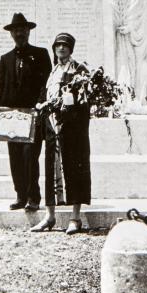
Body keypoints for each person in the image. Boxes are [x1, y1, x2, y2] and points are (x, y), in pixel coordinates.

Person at [0, 13, 52, 211]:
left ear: (29, 31)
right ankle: (20, 196)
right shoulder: (5, 59)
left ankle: (34, 197)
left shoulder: (40, 54)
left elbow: (47, 84)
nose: (19, 33)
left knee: (30, 157)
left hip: (32, 115)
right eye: (16, 30)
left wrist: (41, 106)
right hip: (10, 116)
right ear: (11, 34)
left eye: (23, 30)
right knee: (15, 157)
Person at [30, 32, 91, 234]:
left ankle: (75, 217)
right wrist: (40, 105)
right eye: (58, 45)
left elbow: (84, 101)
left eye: (65, 45)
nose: (61, 48)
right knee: (51, 168)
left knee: (73, 168)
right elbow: (44, 94)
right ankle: (50, 216)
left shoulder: (79, 70)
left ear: (71, 49)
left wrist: (68, 109)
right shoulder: (53, 71)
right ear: (54, 48)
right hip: (51, 127)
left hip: (71, 129)